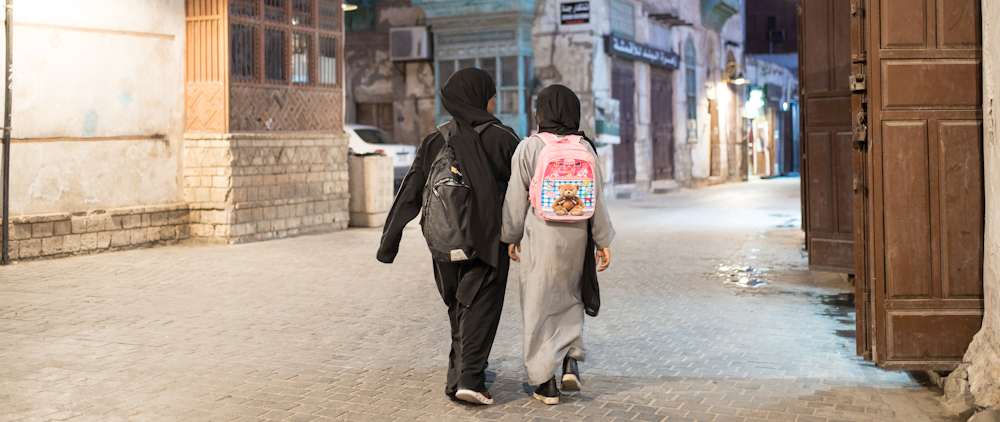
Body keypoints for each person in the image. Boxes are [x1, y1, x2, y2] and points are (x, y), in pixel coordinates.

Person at [377, 68, 520, 405]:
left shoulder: (435, 140)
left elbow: (410, 191)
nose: (494, 100)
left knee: (458, 304)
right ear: (480, 98)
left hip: (443, 240)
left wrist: (389, 242)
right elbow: (524, 188)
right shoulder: (503, 138)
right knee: (480, 307)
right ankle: (471, 379)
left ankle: (458, 376)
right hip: (487, 239)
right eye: (491, 94)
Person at [501, 84, 614, 405]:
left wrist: (511, 236)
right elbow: (598, 198)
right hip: (578, 237)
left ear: (540, 114)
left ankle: (545, 382)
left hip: (541, 236)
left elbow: (515, 197)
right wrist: (602, 240)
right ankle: (570, 362)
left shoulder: (529, 147)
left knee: (539, 304)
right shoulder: (585, 147)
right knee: (572, 297)